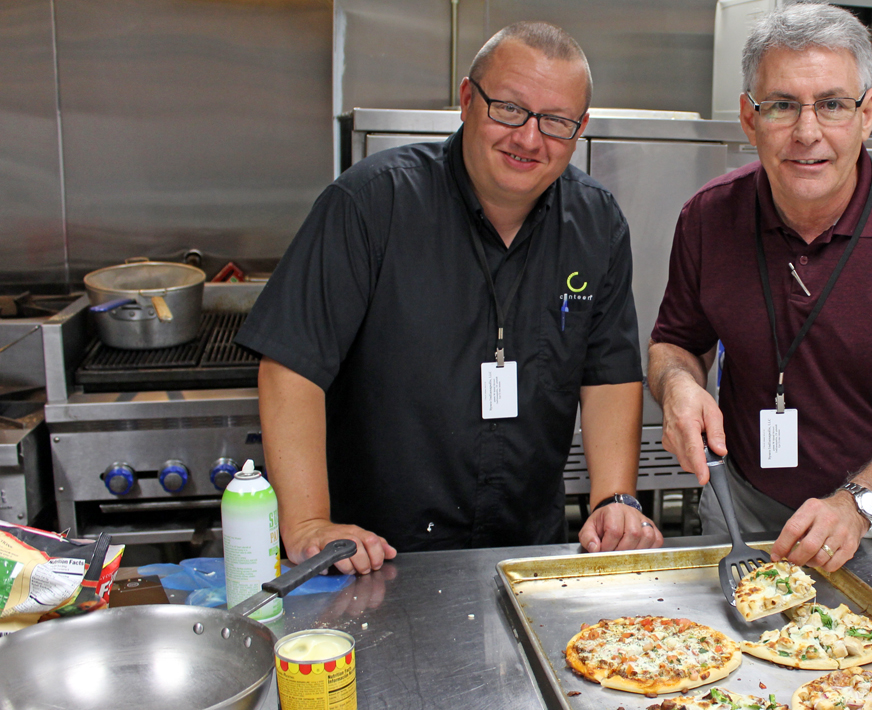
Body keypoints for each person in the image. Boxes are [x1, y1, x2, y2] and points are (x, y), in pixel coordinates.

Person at [236, 22, 661, 575]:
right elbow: (292, 364)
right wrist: (310, 522)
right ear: (467, 100)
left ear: (579, 129)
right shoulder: (369, 204)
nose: (529, 139)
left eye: (555, 122)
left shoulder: (597, 223)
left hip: (523, 554)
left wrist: (613, 498)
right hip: (373, 555)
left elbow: (608, 373)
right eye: (509, 109)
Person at [648, 2, 872, 573]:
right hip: (741, 515)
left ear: (868, 113)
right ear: (749, 118)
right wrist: (678, 384)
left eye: (832, 104)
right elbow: (675, 344)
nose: (808, 133)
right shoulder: (708, 218)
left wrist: (856, 505)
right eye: (782, 105)